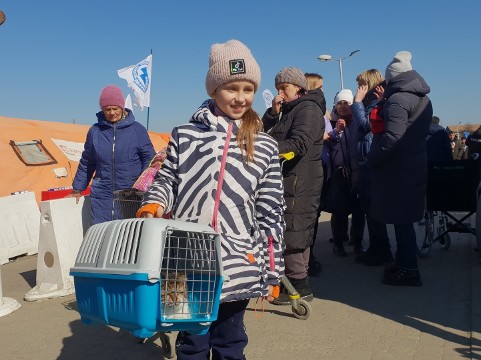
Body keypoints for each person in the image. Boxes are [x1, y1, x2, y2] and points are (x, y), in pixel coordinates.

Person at [136, 40, 285, 359]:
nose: (241, 97)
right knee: (191, 342)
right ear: (215, 88)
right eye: (232, 87)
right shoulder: (184, 136)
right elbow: (167, 180)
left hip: (238, 257)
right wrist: (154, 202)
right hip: (184, 256)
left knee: (230, 340)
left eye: (248, 88)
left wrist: (273, 270)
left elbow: (271, 212)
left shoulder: (266, 147)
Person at [368, 51, 433, 287]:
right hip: (412, 165)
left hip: (397, 168)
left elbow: (393, 136)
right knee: (404, 219)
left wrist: (373, 157)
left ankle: (408, 269)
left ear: (393, 78)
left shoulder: (397, 99)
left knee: (401, 221)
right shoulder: (422, 98)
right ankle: (404, 261)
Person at [262, 66, 325, 303]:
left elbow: (298, 144)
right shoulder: (289, 110)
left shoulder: (308, 109)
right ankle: (296, 280)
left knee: (294, 229)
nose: (280, 93)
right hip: (289, 177)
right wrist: (272, 113)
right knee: (293, 228)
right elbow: (264, 131)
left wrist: (263, 150)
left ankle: (299, 285)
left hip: (300, 179)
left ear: (298, 87)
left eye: (284, 88)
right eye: (278, 88)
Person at [70, 85, 155, 224]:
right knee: (102, 232)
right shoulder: (95, 131)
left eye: (115, 108)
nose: (112, 112)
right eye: (107, 109)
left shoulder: (137, 130)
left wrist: (143, 185)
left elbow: (150, 159)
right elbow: (87, 162)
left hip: (130, 194)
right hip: (102, 194)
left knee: (128, 234)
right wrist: (77, 189)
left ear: (122, 108)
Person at [350, 69, 394, 266]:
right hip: (364, 163)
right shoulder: (375, 101)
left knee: (375, 212)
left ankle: (382, 250)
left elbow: (365, 125)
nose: (358, 89)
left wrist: (357, 102)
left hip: (370, 162)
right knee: (370, 211)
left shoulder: (376, 102)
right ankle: (376, 248)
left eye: (360, 85)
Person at [325, 89, 365, 257]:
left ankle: (357, 243)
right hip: (339, 173)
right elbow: (329, 144)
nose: (342, 106)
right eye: (339, 103)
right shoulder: (331, 124)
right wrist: (337, 132)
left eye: (346, 103)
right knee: (339, 210)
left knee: (358, 210)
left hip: (357, 172)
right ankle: (339, 243)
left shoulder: (358, 123)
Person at [304, 72, 330, 276]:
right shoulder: (311, 111)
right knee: (309, 217)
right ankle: (307, 260)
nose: (323, 91)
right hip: (310, 171)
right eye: (320, 87)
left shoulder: (316, 111)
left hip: (317, 169)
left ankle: (308, 258)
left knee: (313, 215)